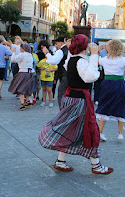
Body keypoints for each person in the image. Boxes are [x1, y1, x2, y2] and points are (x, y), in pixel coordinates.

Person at [39, 34, 113, 174]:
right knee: (90, 129)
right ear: (84, 46)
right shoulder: (81, 61)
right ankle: (96, 166)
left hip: (71, 97)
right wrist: (95, 55)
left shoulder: (72, 59)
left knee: (70, 129)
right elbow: (90, 77)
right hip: (80, 100)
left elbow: (74, 64)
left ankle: (61, 161)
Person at [42, 37, 69, 108]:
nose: (56, 45)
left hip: (63, 74)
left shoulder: (61, 51)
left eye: (57, 44)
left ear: (60, 43)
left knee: (61, 95)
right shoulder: (67, 49)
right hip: (67, 74)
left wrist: (47, 53)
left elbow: (54, 61)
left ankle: (63, 111)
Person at [8, 43, 35, 110]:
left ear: (23, 49)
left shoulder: (22, 54)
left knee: (20, 88)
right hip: (30, 73)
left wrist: (13, 52)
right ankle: (28, 101)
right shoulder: (30, 55)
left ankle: (22, 104)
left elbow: (13, 60)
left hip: (23, 72)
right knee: (27, 87)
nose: (19, 49)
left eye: (21, 48)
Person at [36, 42, 58, 108]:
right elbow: (37, 66)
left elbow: (56, 68)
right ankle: (44, 101)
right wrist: (40, 68)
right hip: (43, 77)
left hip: (50, 78)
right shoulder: (42, 61)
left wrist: (51, 70)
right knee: (44, 90)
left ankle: (51, 102)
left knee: (49, 90)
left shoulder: (52, 61)